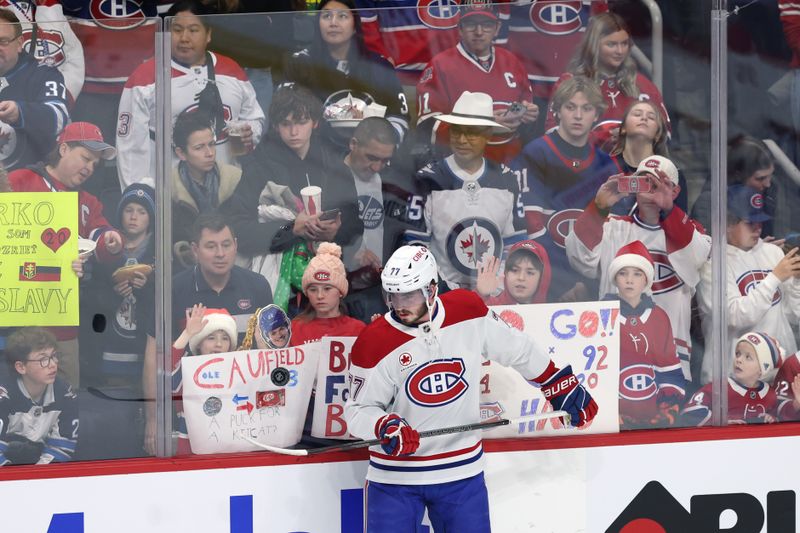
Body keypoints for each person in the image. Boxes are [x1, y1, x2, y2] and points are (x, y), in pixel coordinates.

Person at [344, 245, 597, 531]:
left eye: (409, 294)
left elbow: (518, 349)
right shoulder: (372, 342)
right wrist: (383, 425)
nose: (399, 304)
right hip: (395, 479)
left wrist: (555, 382)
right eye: (393, 295)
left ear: (431, 289)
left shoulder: (467, 311)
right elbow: (356, 413)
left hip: (461, 472)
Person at [565, 155, 711, 381]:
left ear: (674, 190)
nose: (650, 190)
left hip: (671, 355)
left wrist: (670, 211)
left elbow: (696, 258)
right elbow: (580, 259)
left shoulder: (693, 233)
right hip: (616, 352)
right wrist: (598, 208)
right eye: (643, 181)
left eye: (659, 184)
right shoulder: (613, 227)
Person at [141, 213, 272, 454]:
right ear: (195, 250)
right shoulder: (172, 289)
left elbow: (269, 355)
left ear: (236, 245)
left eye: (226, 245)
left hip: (246, 414)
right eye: (211, 246)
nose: (220, 254)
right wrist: (154, 419)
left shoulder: (258, 286)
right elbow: (154, 355)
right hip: (192, 417)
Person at [9, 121, 123, 387]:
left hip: (62, 323)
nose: (89, 168)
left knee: (66, 398)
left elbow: (101, 237)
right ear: (63, 149)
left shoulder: (87, 201)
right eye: (85, 157)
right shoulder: (21, 181)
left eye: (95, 164)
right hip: (15, 321)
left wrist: (112, 241)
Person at [116, 0, 265, 189]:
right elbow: (130, 148)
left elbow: (255, 119)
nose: (184, 38)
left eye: (193, 30)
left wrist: (249, 133)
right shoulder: (145, 77)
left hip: (227, 191)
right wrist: (139, 198)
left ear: (208, 34)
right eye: (177, 30)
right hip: (169, 197)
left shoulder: (232, 70)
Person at [510, 75, 618, 302]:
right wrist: (563, 283)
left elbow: (613, 234)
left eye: (586, 108)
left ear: (596, 115)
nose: (578, 116)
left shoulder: (607, 166)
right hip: (544, 280)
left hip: (591, 284)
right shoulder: (536, 153)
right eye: (571, 107)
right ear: (557, 111)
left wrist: (588, 284)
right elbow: (532, 226)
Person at [405, 91, 526, 291]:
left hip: (496, 296)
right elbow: (415, 245)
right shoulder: (427, 179)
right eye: (456, 131)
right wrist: (441, 289)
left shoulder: (508, 180)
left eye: (472, 132)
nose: (461, 139)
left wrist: (498, 289)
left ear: (488, 134)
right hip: (443, 296)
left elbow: (515, 245)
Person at [228, 84, 362, 261]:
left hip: (326, 265)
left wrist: (337, 232)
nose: (294, 132)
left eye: (301, 122)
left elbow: (354, 220)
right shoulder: (259, 165)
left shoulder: (332, 162)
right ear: (276, 126)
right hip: (277, 268)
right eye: (286, 124)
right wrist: (290, 229)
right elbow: (238, 228)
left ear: (314, 123)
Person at [697, 185, 800, 383]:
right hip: (732, 377)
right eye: (750, 223)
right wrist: (775, 278)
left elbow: (793, 315)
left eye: (760, 221)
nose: (757, 228)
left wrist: (796, 282)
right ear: (727, 223)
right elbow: (734, 315)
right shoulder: (712, 264)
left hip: (779, 372)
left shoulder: (773, 253)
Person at [416, 4, 538, 163]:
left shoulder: (512, 61)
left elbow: (525, 116)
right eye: (471, 24)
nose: (479, 32)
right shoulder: (440, 65)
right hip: (463, 161)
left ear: (497, 28)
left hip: (510, 157)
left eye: (486, 25)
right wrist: (483, 126)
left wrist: (528, 115)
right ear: (460, 28)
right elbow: (426, 126)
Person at [283, 0, 409, 146]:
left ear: (355, 25)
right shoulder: (299, 64)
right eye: (326, 16)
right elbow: (285, 116)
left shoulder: (379, 66)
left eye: (342, 16)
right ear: (317, 24)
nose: (333, 23)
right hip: (316, 158)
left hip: (369, 156)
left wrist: (381, 146)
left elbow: (399, 117)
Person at [545, 12, 669, 149]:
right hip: (583, 164)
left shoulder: (642, 84)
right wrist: (603, 137)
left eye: (624, 44)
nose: (620, 51)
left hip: (633, 163)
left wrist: (634, 137)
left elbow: (665, 133)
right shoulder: (570, 83)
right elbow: (553, 134)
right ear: (594, 45)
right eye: (611, 44)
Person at [342, 116, 419, 321]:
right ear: (353, 144)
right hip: (339, 289)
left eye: (385, 160)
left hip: (376, 287)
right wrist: (352, 251)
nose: (377, 167)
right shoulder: (330, 178)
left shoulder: (388, 182)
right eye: (372, 157)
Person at [604, 241, 685, 430]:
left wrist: (668, 410)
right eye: (623, 273)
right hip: (614, 418)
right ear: (615, 277)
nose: (629, 280)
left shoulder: (659, 317)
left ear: (646, 280)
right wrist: (607, 412)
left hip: (651, 417)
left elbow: (668, 368)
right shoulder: (601, 315)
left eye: (637, 274)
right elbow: (594, 374)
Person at [91, 183, 156, 389]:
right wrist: (114, 294)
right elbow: (93, 303)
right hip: (113, 346)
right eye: (128, 210)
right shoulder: (106, 252)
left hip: (147, 345)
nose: (134, 217)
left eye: (141, 211)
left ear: (151, 217)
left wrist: (147, 286)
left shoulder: (161, 252)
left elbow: (169, 298)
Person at [0, 8, 69, 172]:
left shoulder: (43, 73)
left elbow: (59, 118)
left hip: (30, 184)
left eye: (3, 41)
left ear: (19, 44)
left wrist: (20, 112)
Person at [171, 112, 242, 269]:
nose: (209, 153)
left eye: (211, 144)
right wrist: (185, 252)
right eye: (199, 147)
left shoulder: (234, 178)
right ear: (181, 153)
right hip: (186, 268)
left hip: (232, 262)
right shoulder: (169, 188)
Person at [0, 328, 78, 465]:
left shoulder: (65, 394)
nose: (53, 364)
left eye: (54, 356)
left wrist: (36, 477)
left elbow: (61, 449)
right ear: (21, 367)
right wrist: (17, 480)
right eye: (43, 359)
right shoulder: (4, 396)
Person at [171, 304, 238, 454]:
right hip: (191, 447)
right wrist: (187, 334)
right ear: (199, 343)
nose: (219, 344)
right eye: (211, 338)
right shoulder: (187, 367)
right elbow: (167, 370)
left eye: (225, 338)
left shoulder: (239, 369)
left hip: (231, 446)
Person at [681, 332, 782, 426]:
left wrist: (770, 418)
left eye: (748, 357)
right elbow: (689, 412)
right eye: (738, 354)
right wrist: (721, 421)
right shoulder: (719, 387)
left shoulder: (770, 394)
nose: (739, 360)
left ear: (762, 368)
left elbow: (779, 418)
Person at [607, 100, 688, 213]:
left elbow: (681, 227)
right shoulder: (603, 166)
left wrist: (667, 208)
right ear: (624, 128)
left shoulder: (672, 173)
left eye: (651, 117)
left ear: (658, 134)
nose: (644, 118)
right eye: (637, 114)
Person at [691, 135, 778, 238]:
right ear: (738, 175)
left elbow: (766, 233)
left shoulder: (770, 189)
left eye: (770, 176)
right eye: (760, 178)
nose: (768, 184)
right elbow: (706, 248)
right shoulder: (709, 203)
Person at [0, 0, 84, 105]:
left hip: (50, 104)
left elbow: (74, 55)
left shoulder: (51, 8)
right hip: (10, 105)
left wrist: (61, 94)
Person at [290, 242, 366, 346]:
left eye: (327, 288)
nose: (320, 295)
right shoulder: (295, 329)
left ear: (340, 291)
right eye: (313, 290)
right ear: (306, 292)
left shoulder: (357, 329)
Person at [475, 239, 552, 305]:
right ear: (505, 273)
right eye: (515, 270)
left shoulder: (555, 313)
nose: (521, 278)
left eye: (529, 272)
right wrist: (481, 294)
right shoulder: (489, 306)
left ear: (542, 278)